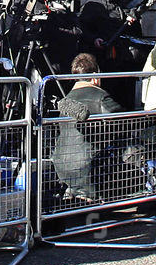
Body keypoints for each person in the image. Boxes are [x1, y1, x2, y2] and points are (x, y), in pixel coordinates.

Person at [51, 53, 123, 200]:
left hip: (62, 166)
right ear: (96, 75)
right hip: (91, 168)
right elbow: (124, 124)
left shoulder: (66, 101)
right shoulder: (101, 97)